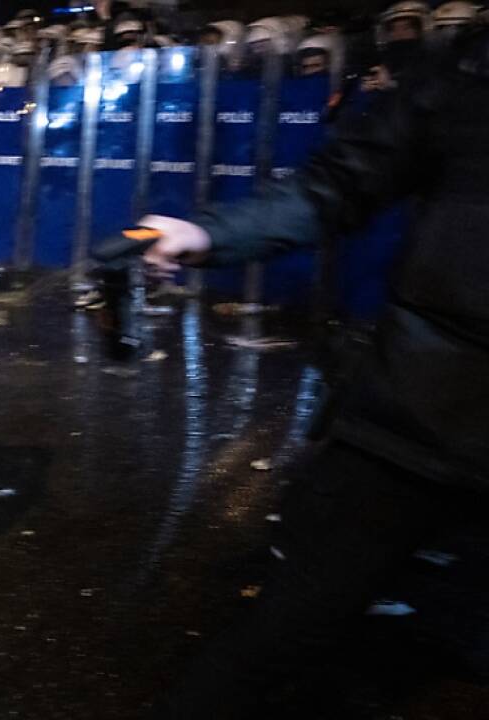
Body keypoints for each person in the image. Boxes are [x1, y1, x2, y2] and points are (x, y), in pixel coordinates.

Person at [138, 24, 489, 718]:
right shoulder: (469, 72)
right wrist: (208, 233)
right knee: (287, 626)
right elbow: (337, 183)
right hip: (419, 407)